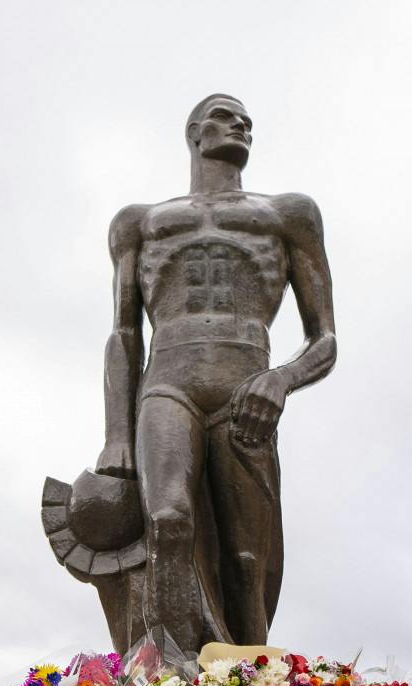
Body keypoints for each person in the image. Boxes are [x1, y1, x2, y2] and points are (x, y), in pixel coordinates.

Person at [94, 93, 337, 651]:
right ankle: (168, 680)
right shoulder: (140, 223)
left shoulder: (288, 213)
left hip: (245, 385)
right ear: (195, 132)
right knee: (169, 520)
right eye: (227, 117)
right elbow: (124, 334)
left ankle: (252, 684)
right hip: (168, 384)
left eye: (248, 120)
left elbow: (324, 339)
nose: (242, 125)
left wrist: (281, 379)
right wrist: (115, 435)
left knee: (247, 560)